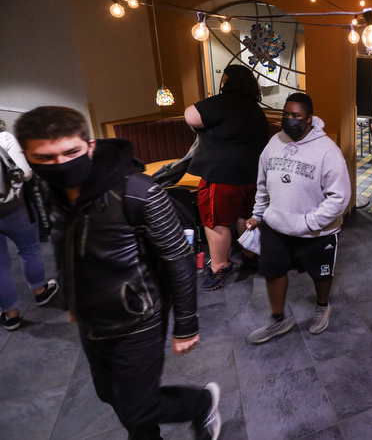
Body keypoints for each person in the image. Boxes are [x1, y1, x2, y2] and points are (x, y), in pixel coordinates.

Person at [14, 106, 220, 440]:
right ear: (28, 156)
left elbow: (178, 258)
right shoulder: (45, 189)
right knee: (111, 395)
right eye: (45, 158)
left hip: (138, 317)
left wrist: (186, 325)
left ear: (90, 147)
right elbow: (64, 245)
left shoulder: (138, 191)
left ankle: (200, 403)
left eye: (71, 152)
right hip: (90, 317)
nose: (60, 165)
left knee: (138, 405)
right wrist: (69, 297)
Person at [245, 93, 350, 344]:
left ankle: (322, 306)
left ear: (309, 119)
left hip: (316, 232)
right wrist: (258, 215)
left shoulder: (328, 152)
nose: (288, 120)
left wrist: (309, 222)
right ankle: (278, 319)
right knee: (272, 272)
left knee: (321, 274)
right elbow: (263, 182)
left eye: (295, 116)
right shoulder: (274, 142)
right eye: (285, 114)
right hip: (276, 225)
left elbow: (340, 198)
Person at [184, 64, 270, 291]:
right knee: (246, 216)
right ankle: (250, 255)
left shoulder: (224, 102)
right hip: (253, 176)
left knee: (216, 221)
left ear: (226, 80)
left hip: (222, 176)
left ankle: (220, 266)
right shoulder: (255, 108)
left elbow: (190, 115)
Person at [0, 121, 58, 331]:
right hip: (15, 208)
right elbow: (25, 173)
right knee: (29, 250)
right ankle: (40, 292)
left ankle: (10, 314)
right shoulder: (4, 138)